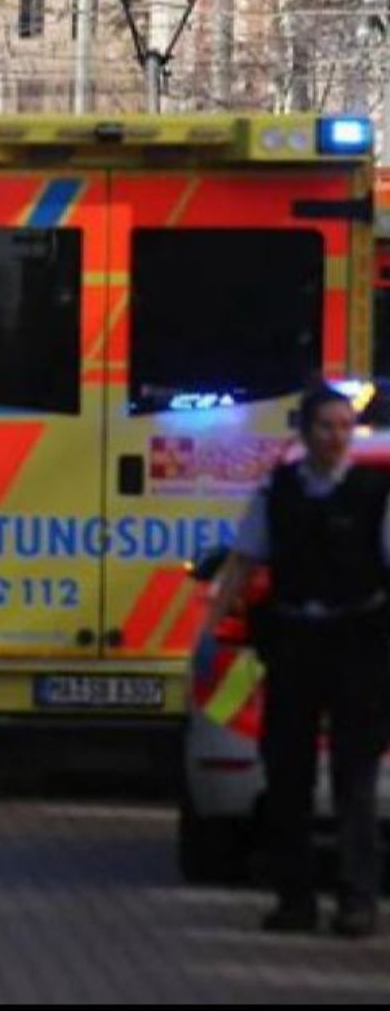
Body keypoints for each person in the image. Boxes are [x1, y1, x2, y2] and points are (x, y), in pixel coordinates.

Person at [206, 385, 390, 937]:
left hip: (358, 643)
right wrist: (212, 625)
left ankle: (357, 901)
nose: (336, 437)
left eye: (344, 426)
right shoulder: (277, 489)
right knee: (288, 778)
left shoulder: (377, 492)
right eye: (326, 426)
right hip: (294, 643)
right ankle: (295, 900)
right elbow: (243, 560)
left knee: (354, 779)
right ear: (305, 433)